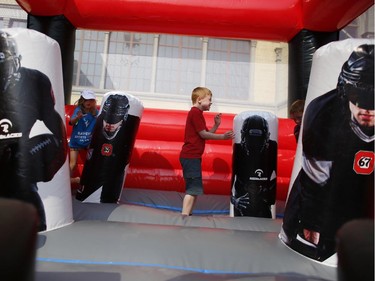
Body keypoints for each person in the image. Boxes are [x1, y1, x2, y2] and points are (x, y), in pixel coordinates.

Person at [280, 44, 374, 262]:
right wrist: (312, 227)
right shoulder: (323, 114)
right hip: (329, 198)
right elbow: (316, 185)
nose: (365, 109)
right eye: (356, 94)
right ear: (345, 89)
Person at [0, 31, 67, 231]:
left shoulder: (33, 81)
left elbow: (56, 133)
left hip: (19, 157)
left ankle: (36, 230)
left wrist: (40, 163)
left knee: (19, 167)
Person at [179, 87, 235, 216]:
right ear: (199, 100)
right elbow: (204, 135)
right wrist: (222, 137)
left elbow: (206, 134)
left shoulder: (198, 114)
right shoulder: (194, 113)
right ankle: (184, 216)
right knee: (192, 189)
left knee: (195, 189)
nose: (211, 102)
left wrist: (216, 125)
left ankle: (188, 214)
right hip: (190, 156)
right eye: (209, 99)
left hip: (193, 156)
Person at [76, 94, 141, 203]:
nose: (109, 125)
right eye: (107, 121)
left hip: (109, 189)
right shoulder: (99, 120)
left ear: (123, 119)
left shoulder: (130, 124)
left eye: (115, 121)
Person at [231, 115, 277, 218]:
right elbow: (230, 177)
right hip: (243, 201)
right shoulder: (238, 149)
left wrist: (270, 192)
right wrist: (234, 200)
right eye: (251, 141)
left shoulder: (272, 148)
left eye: (258, 142)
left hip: (262, 202)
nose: (254, 145)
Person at [69, 90, 98, 185]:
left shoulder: (95, 112)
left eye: (90, 100)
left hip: (88, 142)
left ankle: (89, 183)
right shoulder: (78, 110)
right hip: (76, 141)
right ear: (82, 100)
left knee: (92, 164)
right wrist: (77, 118)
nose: (88, 102)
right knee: (72, 165)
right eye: (86, 100)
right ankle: (69, 181)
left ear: (94, 101)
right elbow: (71, 122)